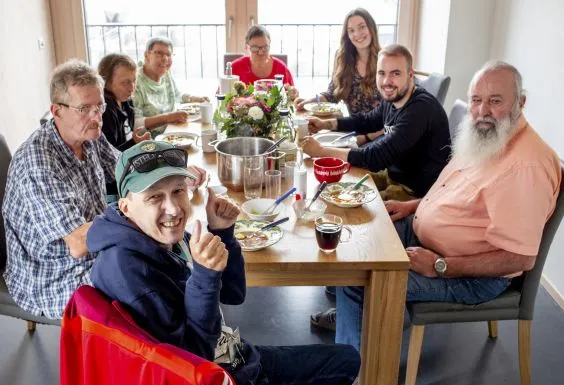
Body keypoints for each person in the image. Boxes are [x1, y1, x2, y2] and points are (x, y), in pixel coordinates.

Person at [87, 140, 361, 385]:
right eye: (154, 197)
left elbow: (233, 294)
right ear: (125, 207)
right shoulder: (131, 273)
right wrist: (204, 275)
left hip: (234, 353)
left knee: (348, 358)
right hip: (222, 372)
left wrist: (223, 232)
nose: (172, 208)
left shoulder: (159, 238)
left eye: (178, 191)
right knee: (344, 363)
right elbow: (192, 360)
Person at [335, 61, 562, 351]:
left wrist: (440, 266)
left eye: (495, 101)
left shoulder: (526, 166)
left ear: (521, 102)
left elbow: (519, 258)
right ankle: (355, 320)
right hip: (428, 239)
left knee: (360, 278)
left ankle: (356, 369)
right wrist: (415, 206)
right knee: (357, 240)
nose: (482, 111)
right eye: (476, 100)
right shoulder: (489, 137)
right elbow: (460, 194)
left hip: (468, 275)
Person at [1, 60, 121, 318]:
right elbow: (78, 244)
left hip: (90, 248)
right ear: (56, 111)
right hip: (49, 274)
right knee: (135, 279)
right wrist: (129, 219)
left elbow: (124, 168)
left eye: (99, 106)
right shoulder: (38, 163)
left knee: (152, 258)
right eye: (84, 108)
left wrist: (170, 168)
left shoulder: (88, 134)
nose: (96, 116)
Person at [303, 44, 451, 201]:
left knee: (348, 202)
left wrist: (321, 152)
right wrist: (325, 124)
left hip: (414, 191)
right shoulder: (394, 97)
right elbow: (367, 121)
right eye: (382, 73)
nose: (387, 81)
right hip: (393, 175)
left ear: (410, 75)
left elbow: (376, 157)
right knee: (340, 182)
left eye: (395, 73)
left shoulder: (419, 109)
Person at [295, 8, 382, 116]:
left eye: (362, 27)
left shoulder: (385, 59)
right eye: (351, 30)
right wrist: (311, 101)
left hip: (382, 130)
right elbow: (332, 94)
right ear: (347, 35)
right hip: (353, 128)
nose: (357, 34)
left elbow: (394, 108)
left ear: (371, 27)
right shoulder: (344, 58)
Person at [134, 36, 208, 137]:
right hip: (151, 141)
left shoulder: (164, 73)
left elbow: (176, 95)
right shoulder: (135, 81)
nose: (165, 59)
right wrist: (167, 118)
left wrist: (192, 98)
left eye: (168, 54)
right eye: (159, 53)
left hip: (172, 131)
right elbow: (135, 124)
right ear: (147, 55)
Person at [98, 53, 151, 151]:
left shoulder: (126, 101)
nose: (132, 88)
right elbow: (110, 155)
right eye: (125, 83)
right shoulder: (105, 111)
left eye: (134, 81)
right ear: (105, 83)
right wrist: (134, 143)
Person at [231, 25, 295, 87]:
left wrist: (294, 93)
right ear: (246, 47)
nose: (261, 53)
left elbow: (292, 95)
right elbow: (224, 95)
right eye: (255, 48)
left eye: (265, 47)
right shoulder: (235, 67)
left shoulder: (281, 68)